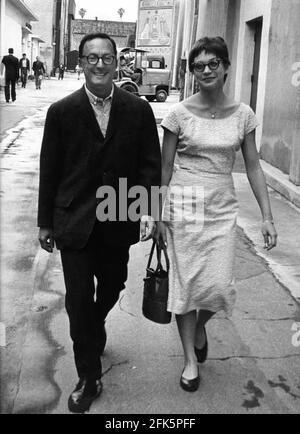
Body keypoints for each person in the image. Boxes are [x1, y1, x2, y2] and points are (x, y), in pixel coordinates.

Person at [37, 32, 161, 413]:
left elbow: (149, 165)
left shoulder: (137, 110)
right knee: (76, 298)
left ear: (117, 62)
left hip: (116, 215)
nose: (100, 64)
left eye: (107, 58)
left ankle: (94, 323)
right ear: (81, 63)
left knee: (113, 284)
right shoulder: (61, 111)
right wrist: (45, 223)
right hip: (73, 219)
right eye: (91, 58)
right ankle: (88, 376)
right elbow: (50, 169)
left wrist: (149, 210)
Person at [155, 37, 277, 392]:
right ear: (192, 72)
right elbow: (162, 170)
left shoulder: (243, 115)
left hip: (222, 206)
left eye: (213, 64)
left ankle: (201, 326)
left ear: (225, 67)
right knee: (185, 285)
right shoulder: (177, 114)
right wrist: (156, 214)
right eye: (199, 65)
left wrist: (267, 215)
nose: (206, 70)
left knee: (220, 287)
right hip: (182, 204)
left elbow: (253, 166)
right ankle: (190, 360)